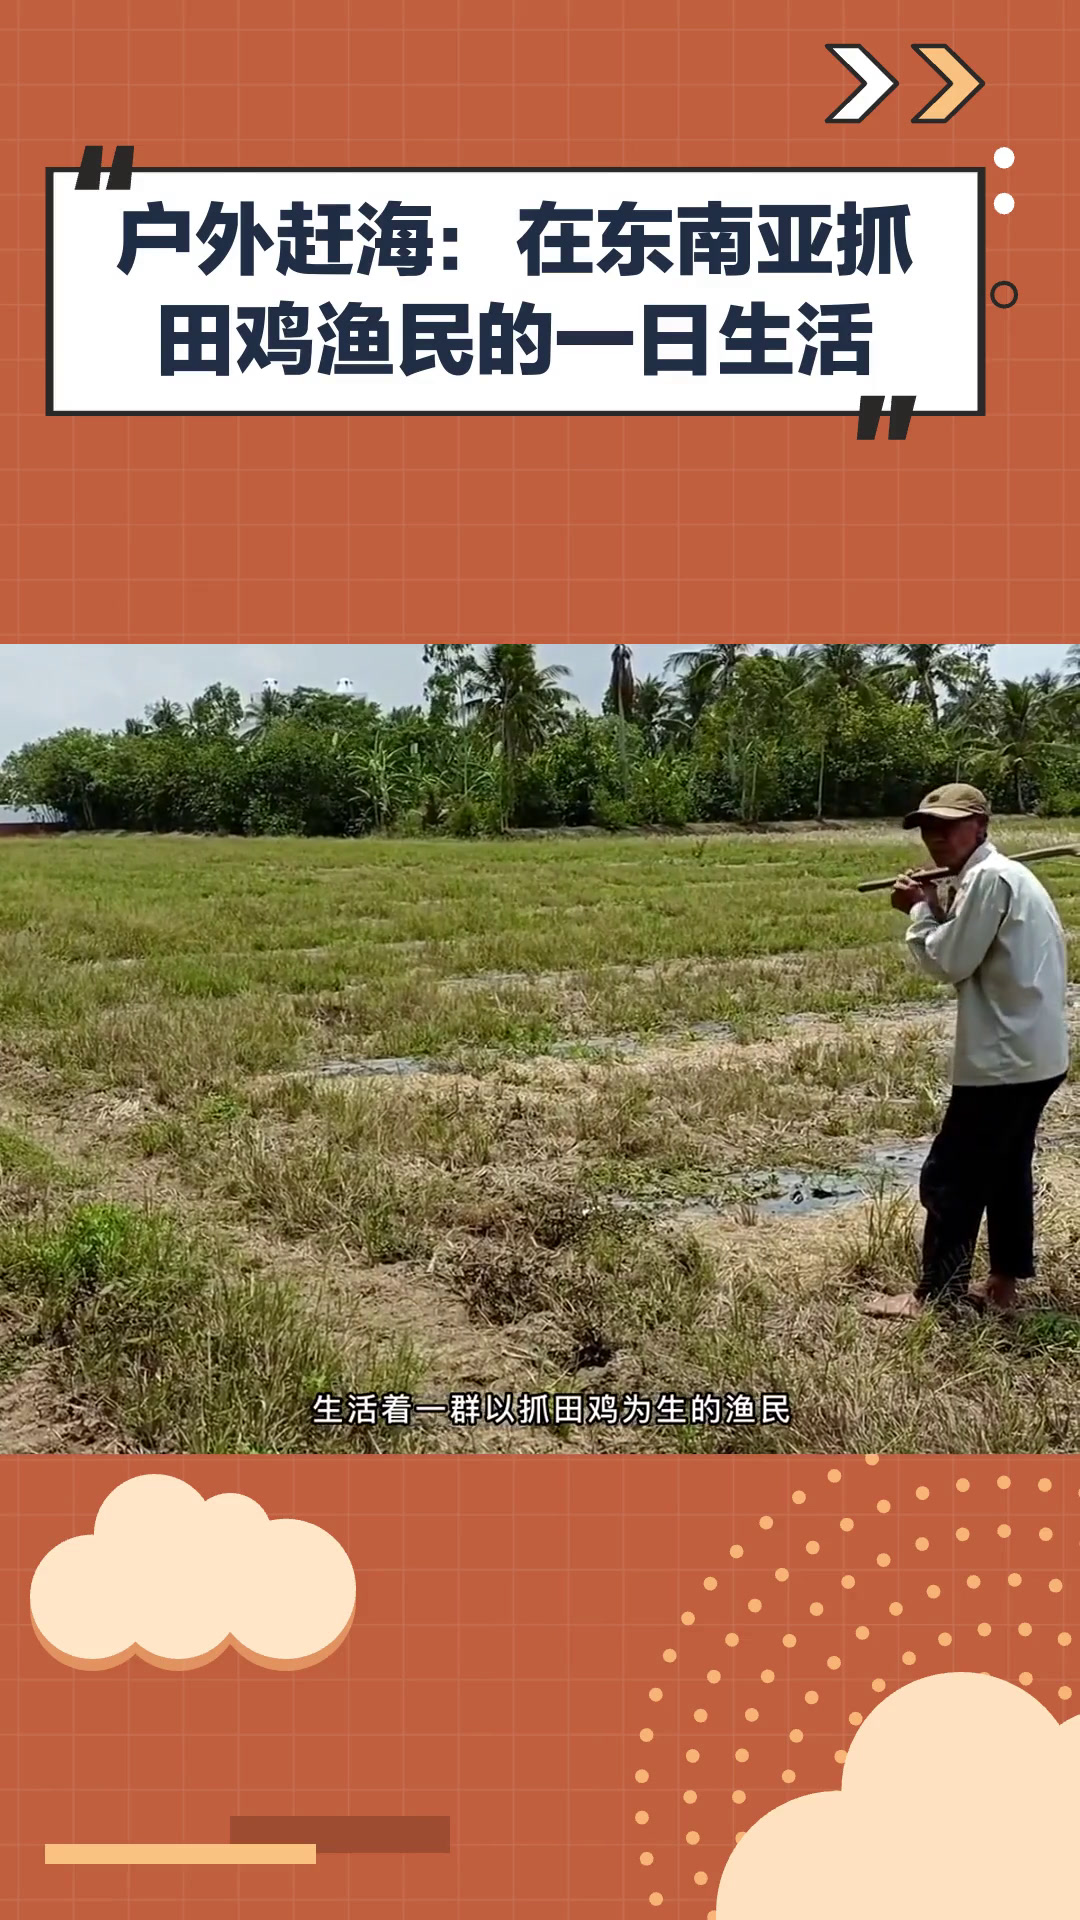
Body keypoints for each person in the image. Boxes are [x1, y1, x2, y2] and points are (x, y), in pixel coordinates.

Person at [863, 783, 1069, 1320]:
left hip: (1001, 1061)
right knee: (1005, 1170)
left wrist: (919, 913)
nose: (936, 837)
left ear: (981, 825)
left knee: (951, 1174)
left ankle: (936, 1296)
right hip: (1035, 1054)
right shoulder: (1004, 878)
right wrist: (937, 903)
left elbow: (950, 961)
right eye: (928, 828)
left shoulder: (988, 879)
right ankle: (1002, 1287)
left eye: (948, 826)